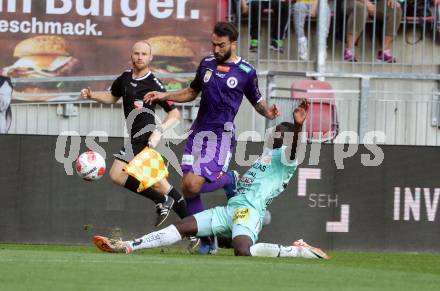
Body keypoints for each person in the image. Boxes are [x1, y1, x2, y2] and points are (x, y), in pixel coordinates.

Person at [93, 100, 329, 260]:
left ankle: (297, 251)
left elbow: (296, 151)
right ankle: (127, 245)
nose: (273, 133)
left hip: (249, 212)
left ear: (286, 137)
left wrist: (298, 126)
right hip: (230, 210)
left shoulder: (286, 158)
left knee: (242, 251)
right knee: (184, 227)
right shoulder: (267, 156)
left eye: (278, 131)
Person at [143, 22, 280, 254]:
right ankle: (208, 242)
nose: (216, 49)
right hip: (198, 133)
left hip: (221, 136)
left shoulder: (246, 71)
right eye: (213, 44)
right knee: (188, 189)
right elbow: (191, 92)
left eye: (221, 45)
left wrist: (268, 112)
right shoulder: (206, 64)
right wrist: (165, 94)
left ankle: (229, 180)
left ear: (233, 43)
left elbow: (257, 101)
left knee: (194, 183)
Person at [80, 41, 188, 228]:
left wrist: (159, 131)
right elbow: (113, 96)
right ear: (131, 56)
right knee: (160, 185)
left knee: (119, 175)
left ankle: (189, 224)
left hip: (145, 139)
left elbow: (175, 113)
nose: (140, 57)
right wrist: (92, 95)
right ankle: (197, 230)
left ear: (150, 58)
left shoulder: (153, 83)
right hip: (134, 138)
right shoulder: (124, 78)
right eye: (136, 53)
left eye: (144, 54)